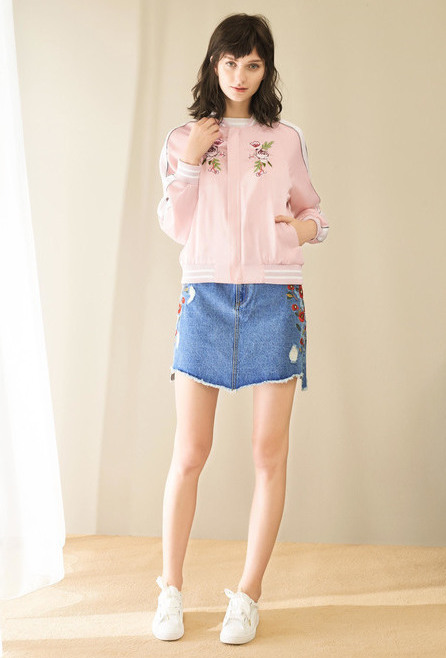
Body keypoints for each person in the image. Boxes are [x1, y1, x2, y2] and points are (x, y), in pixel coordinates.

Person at [152, 12, 329, 645]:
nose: (240, 75)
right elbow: (176, 226)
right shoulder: (183, 138)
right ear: (213, 63)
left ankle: (248, 595)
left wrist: (300, 230)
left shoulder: (285, 138)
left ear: (265, 69)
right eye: (230, 62)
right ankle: (170, 590)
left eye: (253, 64)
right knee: (189, 452)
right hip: (204, 297)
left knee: (267, 453)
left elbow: (315, 212)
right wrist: (190, 163)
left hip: (274, 298)